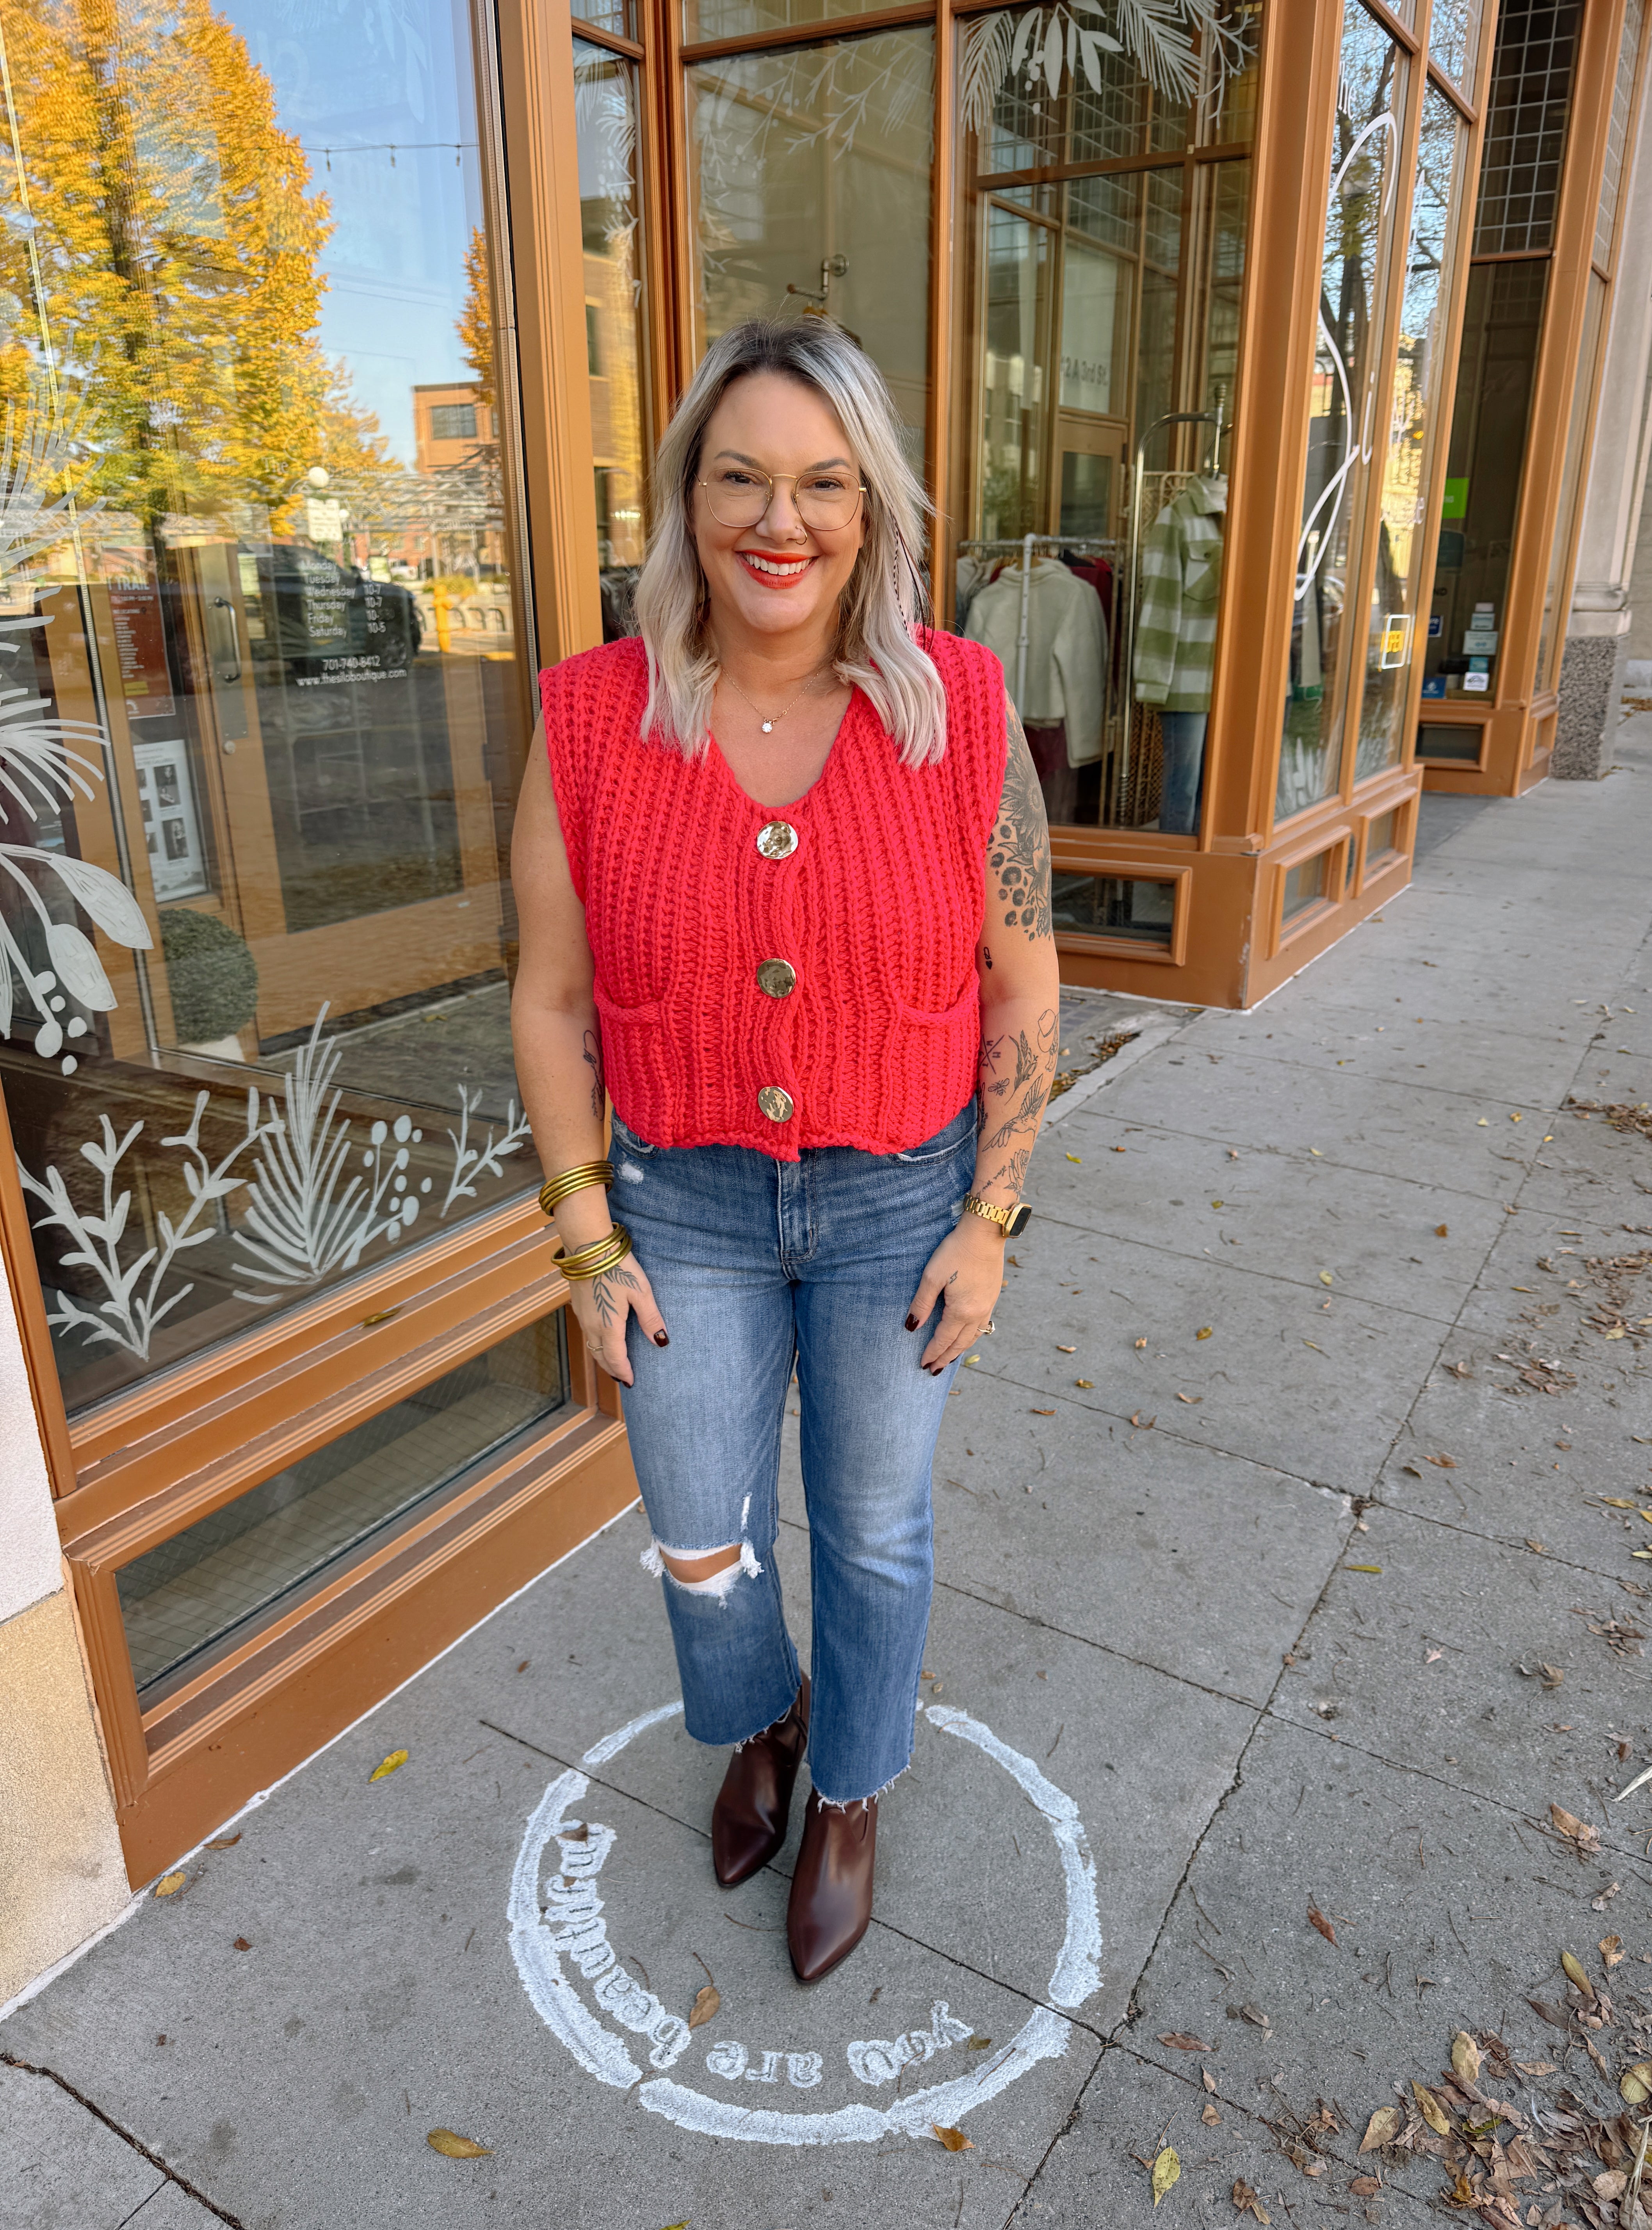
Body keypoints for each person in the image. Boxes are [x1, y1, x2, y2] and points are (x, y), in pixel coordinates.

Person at [510, 315, 1059, 1982]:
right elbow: (546, 1001)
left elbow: (1025, 974)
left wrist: (994, 1221)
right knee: (696, 1515)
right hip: (682, 1196)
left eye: (824, 483)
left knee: (875, 1524)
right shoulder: (596, 718)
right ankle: (759, 1716)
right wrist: (584, 1240)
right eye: (741, 476)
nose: (780, 519)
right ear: (687, 499)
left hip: (904, 1195)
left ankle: (850, 1789)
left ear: (874, 509)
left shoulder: (957, 706)